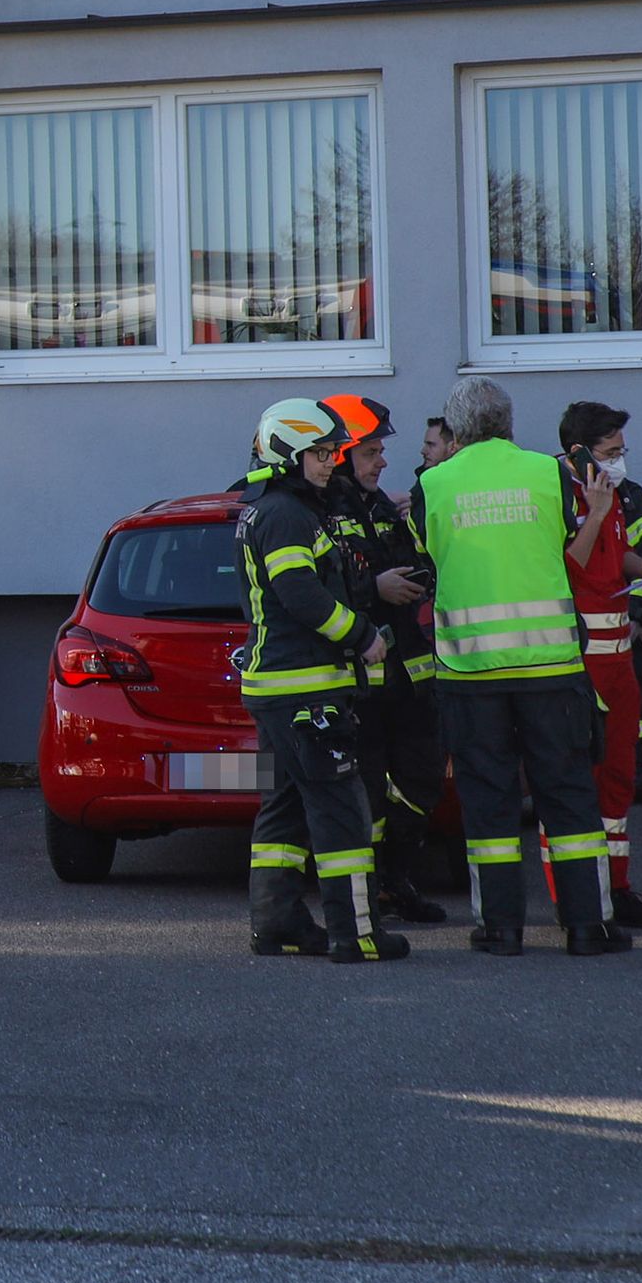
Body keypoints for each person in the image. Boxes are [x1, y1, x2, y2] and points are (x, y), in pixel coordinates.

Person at [417, 378, 620, 956]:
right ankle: (586, 926)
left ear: (455, 432)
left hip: (471, 673)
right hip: (551, 667)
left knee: (488, 799)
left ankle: (501, 928)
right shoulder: (547, 473)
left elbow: (426, 561)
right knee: (569, 798)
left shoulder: (432, 484)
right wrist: (597, 516)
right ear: (508, 423)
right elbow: (569, 558)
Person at [236, 399, 406, 964]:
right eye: (321, 452)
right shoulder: (286, 513)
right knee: (340, 808)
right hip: (304, 690)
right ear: (287, 452)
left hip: (281, 689)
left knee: (284, 807)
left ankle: (278, 925)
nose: (332, 461)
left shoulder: (279, 508)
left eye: (334, 451)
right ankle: (355, 934)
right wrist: (362, 637)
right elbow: (303, 595)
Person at [315, 395, 447, 924]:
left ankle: (397, 881)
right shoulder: (317, 512)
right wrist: (375, 587)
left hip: (408, 682)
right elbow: (315, 592)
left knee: (421, 780)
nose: (382, 461)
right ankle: (365, 895)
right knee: (361, 795)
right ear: (342, 455)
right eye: (371, 452)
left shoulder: (381, 510)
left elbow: (415, 565)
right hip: (356, 686)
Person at [559, 404, 642, 930]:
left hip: (619, 660)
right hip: (581, 666)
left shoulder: (608, 497)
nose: (619, 461)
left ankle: (618, 886)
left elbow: (616, 555)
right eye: (610, 452)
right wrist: (599, 511)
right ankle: (579, 897)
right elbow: (574, 562)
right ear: (577, 454)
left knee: (618, 781)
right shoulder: (561, 495)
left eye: (621, 451)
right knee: (576, 784)